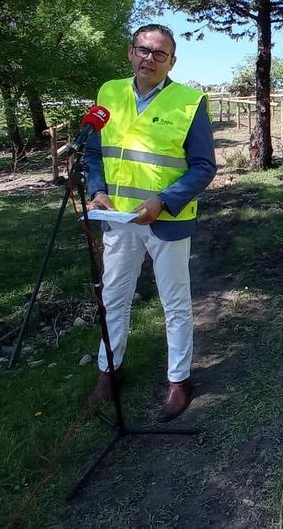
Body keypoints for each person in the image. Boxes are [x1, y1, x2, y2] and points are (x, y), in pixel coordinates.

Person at [85, 23, 218, 422]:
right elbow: (95, 154)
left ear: (172, 62)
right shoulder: (109, 94)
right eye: (144, 50)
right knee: (113, 300)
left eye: (160, 54)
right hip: (118, 220)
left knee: (174, 303)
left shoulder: (189, 102)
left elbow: (203, 167)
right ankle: (109, 370)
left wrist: (164, 201)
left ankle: (179, 380)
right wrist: (97, 189)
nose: (150, 58)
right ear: (130, 52)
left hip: (167, 222)